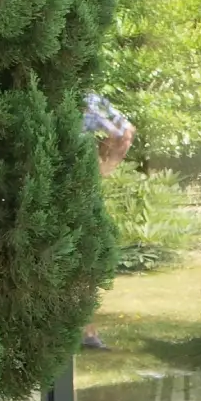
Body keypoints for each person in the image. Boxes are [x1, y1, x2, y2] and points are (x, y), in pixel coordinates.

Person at [81, 92, 135, 351]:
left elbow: (124, 132)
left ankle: (86, 331)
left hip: (75, 184)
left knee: (82, 258)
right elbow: (125, 131)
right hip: (77, 183)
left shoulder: (85, 99)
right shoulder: (88, 96)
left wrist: (108, 162)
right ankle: (85, 332)